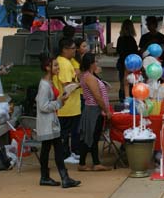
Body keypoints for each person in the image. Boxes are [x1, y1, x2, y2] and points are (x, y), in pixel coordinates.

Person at [35, 54, 81, 189]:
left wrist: (60, 101)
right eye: (55, 65)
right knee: (54, 149)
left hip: (51, 121)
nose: (58, 68)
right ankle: (62, 177)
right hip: (48, 123)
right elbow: (43, 106)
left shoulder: (48, 83)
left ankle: (48, 176)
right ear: (47, 67)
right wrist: (58, 103)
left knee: (48, 149)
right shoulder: (44, 85)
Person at [76, 54, 112, 172]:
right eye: (95, 61)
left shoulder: (89, 75)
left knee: (93, 136)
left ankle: (95, 162)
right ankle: (83, 163)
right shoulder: (89, 77)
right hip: (93, 110)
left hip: (94, 109)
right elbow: (97, 96)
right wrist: (106, 110)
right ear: (91, 63)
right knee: (90, 136)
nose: (97, 63)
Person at [54, 38, 81, 164]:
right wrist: (80, 84)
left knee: (71, 131)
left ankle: (71, 152)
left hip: (71, 105)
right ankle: (65, 154)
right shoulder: (64, 64)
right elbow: (67, 84)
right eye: (73, 48)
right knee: (65, 132)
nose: (75, 50)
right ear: (65, 49)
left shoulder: (66, 61)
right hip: (67, 106)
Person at [115, 19, 138, 102]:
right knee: (132, 82)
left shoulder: (120, 39)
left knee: (123, 82)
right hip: (132, 63)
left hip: (122, 62)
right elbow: (135, 51)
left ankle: (122, 98)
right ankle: (130, 97)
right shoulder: (132, 40)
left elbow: (118, 51)